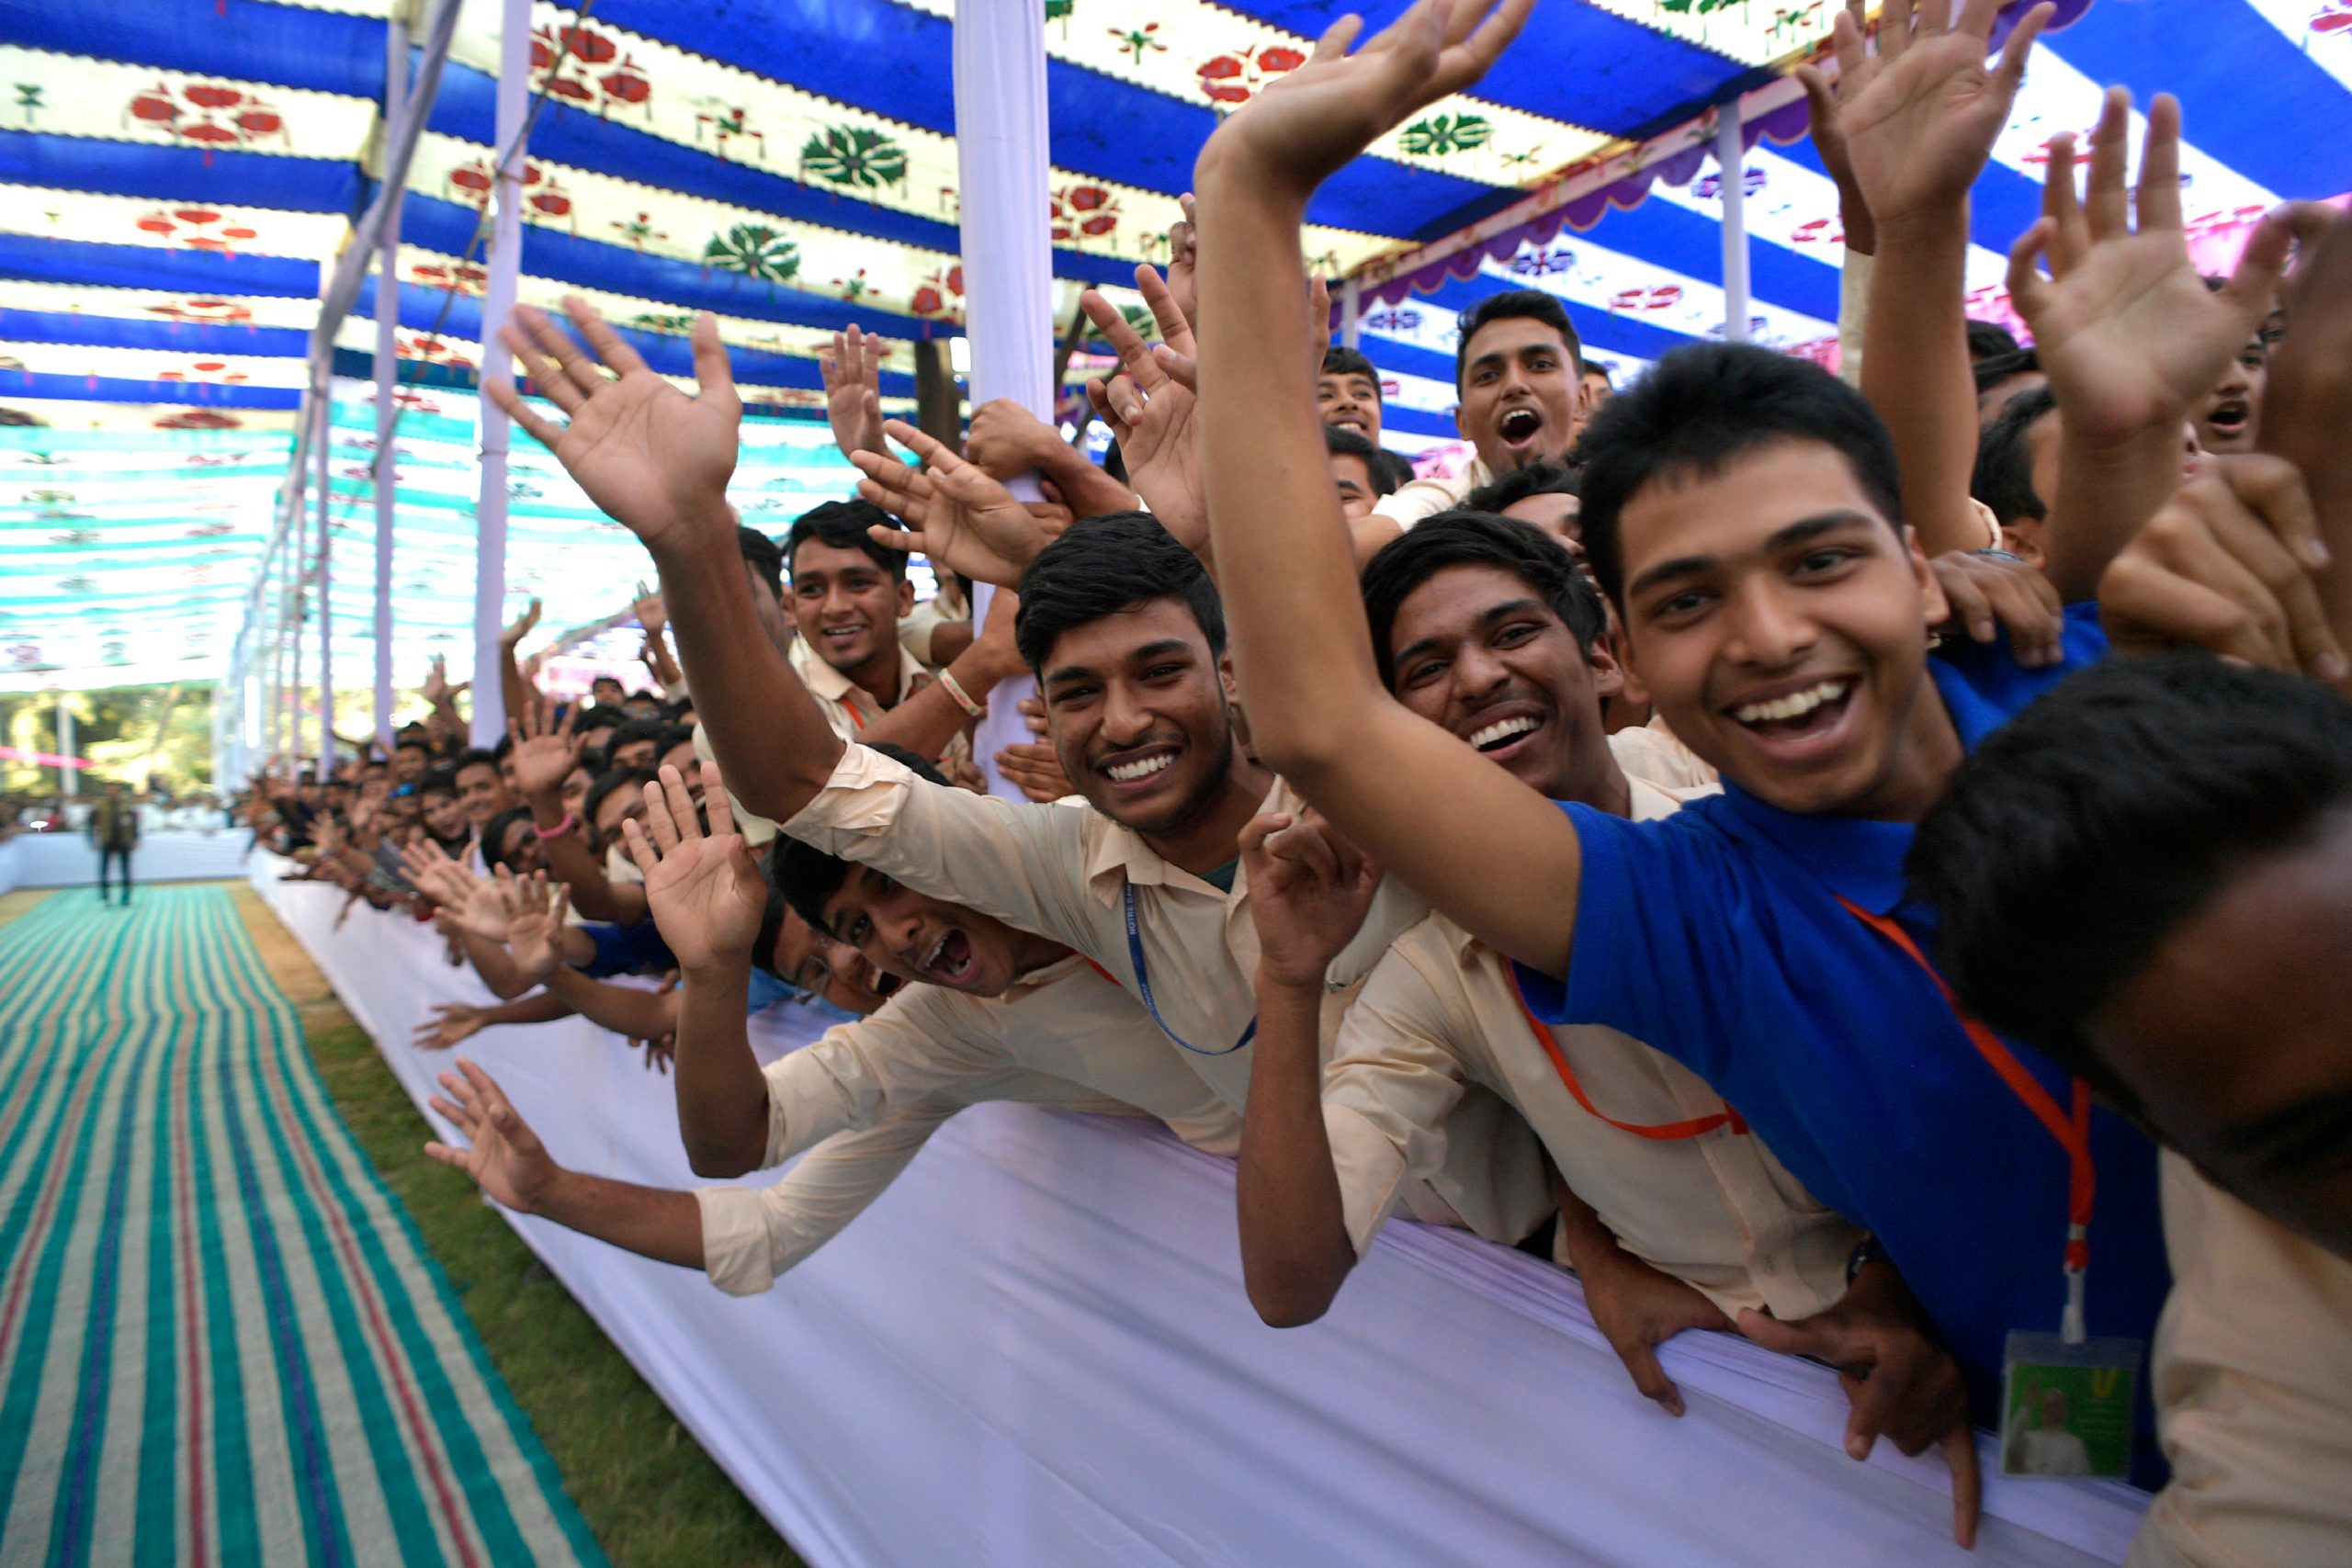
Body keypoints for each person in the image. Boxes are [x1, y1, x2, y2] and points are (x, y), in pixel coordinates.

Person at [1185, 0, 2280, 1502]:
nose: (1766, 636)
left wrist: (1927, 234)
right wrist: (1248, 197)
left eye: (1820, 563)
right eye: (1690, 599)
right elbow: (1322, 714)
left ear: (1921, 564)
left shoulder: (2074, 679)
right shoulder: (1696, 916)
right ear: (1626, 657)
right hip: (2107, 1493)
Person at [1237, 512, 1891, 1430]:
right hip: (1722, 1418)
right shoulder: (1433, 982)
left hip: (1959, 1338)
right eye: (1424, 670)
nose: (1475, 679)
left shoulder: (1764, 833)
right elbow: (1289, 1285)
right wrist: (1289, 976)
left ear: (1605, 659)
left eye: (1510, 633)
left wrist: (1898, 1277)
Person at [1366, 288, 1586, 540]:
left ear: (1582, 399)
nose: (1514, 385)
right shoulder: (1436, 507)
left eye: (1540, 365)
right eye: (1488, 376)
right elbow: (1358, 546)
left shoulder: (1620, 497)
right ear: (1463, 422)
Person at [89, 781, 138, 907]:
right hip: (107, 840)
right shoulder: (100, 805)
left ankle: (126, 896)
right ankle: (106, 896)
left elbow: (134, 822)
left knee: (125, 869)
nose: (113, 793)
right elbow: (91, 823)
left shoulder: (127, 805)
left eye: (115, 790)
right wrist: (92, 840)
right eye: (110, 790)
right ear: (106, 791)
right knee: (104, 870)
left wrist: (135, 838)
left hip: (123, 840)